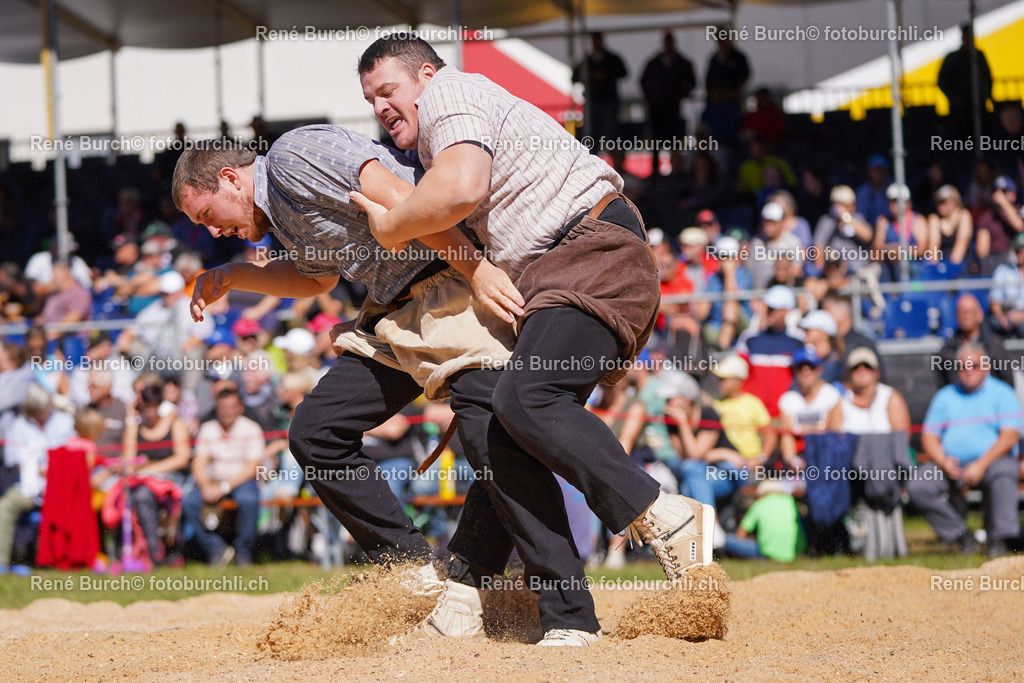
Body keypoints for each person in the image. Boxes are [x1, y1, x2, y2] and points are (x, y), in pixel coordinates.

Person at [355, 35, 714, 646]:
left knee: (525, 400)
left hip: (592, 252)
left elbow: (462, 188)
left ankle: (662, 513)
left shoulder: (452, 93)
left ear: (424, 75)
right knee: (502, 430)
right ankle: (522, 606)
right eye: (371, 101)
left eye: (389, 91)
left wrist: (393, 222)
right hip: (557, 274)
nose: (382, 108)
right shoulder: (431, 143)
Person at [173, 131, 529, 641]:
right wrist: (235, 275)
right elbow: (317, 281)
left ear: (229, 178)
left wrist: (476, 270)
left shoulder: (296, 154)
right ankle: (417, 574)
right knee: (316, 433)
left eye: (208, 215)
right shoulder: (280, 215)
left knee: (493, 438)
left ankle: (510, 589)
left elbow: (398, 195)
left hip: (452, 281)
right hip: (397, 313)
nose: (215, 232)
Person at [907, 343, 1021, 558]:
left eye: (974, 365)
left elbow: (1009, 437)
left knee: (1005, 472)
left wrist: (981, 464)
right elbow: (929, 436)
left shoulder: (1003, 393)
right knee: (918, 486)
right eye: (963, 366)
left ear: (986, 367)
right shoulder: (945, 396)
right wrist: (942, 460)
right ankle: (961, 535)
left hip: (992, 462)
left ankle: (1000, 538)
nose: (968, 370)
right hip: (950, 464)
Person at [181, 388, 265, 566]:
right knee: (189, 502)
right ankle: (216, 549)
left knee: (249, 500)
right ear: (217, 409)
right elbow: (198, 463)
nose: (227, 412)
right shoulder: (208, 429)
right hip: (212, 481)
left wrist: (224, 487)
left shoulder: (252, 428)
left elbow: (252, 468)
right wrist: (205, 486)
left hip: (242, 481)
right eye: (223, 407)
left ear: (240, 408)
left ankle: (243, 553)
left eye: (231, 407)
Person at [0, 385, 75, 575]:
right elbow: (13, 459)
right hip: (31, 485)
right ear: (32, 409)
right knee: (5, 506)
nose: (47, 411)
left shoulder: (64, 422)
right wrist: (38, 469)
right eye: (42, 409)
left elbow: (73, 454)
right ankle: (3, 562)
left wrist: (53, 470)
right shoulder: (19, 425)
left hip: (61, 486)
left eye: (49, 406)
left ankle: (67, 558)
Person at [735, 285, 804, 417]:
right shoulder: (750, 338)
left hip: (784, 416)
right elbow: (739, 374)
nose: (770, 312)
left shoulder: (798, 340)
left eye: (775, 309)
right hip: (753, 416)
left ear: (787, 311)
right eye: (768, 308)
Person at [778, 346, 841, 469]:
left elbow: (833, 429)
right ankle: (794, 469)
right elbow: (787, 429)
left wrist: (799, 428)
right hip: (799, 450)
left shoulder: (831, 394)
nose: (805, 371)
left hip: (824, 449)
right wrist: (818, 427)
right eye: (801, 367)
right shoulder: (788, 399)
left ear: (819, 370)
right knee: (786, 436)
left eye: (810, 367)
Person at [938, 293, 1012, 387]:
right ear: (956, 316)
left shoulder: (995, 347)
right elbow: (943, 386)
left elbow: (1008, 383)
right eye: (962, 312)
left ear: (980, 314)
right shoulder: (947, 351)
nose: (966, 316)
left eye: (970, 311)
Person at [721, 480, 806, 562]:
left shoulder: (759, 504)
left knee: (729, 539)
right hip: (795, 553)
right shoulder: (790, 501)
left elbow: (741, 534)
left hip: (767, 554)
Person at [937, 24, 992, 141]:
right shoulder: (953, 58)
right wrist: (955, 98)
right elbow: (942, 81)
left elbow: (988, 77)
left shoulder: (978, 55)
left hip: (978, 105)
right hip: (960, 109)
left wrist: (986, 96)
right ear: (963, 38)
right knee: (962, 137)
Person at [571, 32, 628, 146]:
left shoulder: (612, 59)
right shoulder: (587, 61)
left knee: (612, 134)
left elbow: (623, 72)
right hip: (593, 102)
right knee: (591, 135)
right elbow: (574, 77)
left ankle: (615, 160)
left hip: (608, 101)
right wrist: (590, 75)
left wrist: (606, 75)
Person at [640, 31, 696, 145]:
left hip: (673, 109)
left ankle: (676, 162)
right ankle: (656, 163)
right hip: (656, 109)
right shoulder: (654, 63)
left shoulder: (682, 63)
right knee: (656, 141)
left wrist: (681, 94)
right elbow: (643, 82)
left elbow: (693, 82)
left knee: (675, 141)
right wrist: (651, 97)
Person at [702, 29, 750, 146]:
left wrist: (733, 93)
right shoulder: (714, 59)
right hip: (716, 105)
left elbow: (745, 76)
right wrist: (713, 95)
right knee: (714, 135)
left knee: (733, 134)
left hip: (731, 104)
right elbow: (708, 81)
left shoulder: (738, 57)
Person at [929, 185, 973, 269]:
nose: (940, 205)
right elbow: (933, 249)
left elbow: (961, 244)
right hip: (941, 265)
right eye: (938, 201)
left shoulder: (964, 215)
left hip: (962, 265)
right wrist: (936, 270)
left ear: (955, 202)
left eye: (943, 201)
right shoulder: (934, 219)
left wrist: (950, 270)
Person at [856, 155, 892, 228]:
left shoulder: (895, 189)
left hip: (891, 231)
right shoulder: (862, 191)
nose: (878, 173)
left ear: (886, 171)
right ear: (869, 171)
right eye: (875, 170)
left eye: (881, 170)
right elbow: (860, 216)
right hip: (868, 232)